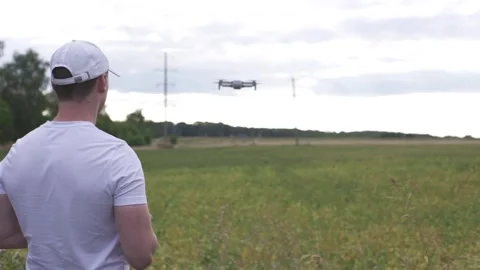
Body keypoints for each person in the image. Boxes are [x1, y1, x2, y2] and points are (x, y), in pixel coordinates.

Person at [0, 40, 158, 270]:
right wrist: (145, 233)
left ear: (55, 86)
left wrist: (54, 234)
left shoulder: (17, 153)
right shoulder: (118, 156)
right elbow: (140, 255)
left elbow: (3, 234)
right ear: (102, 82)